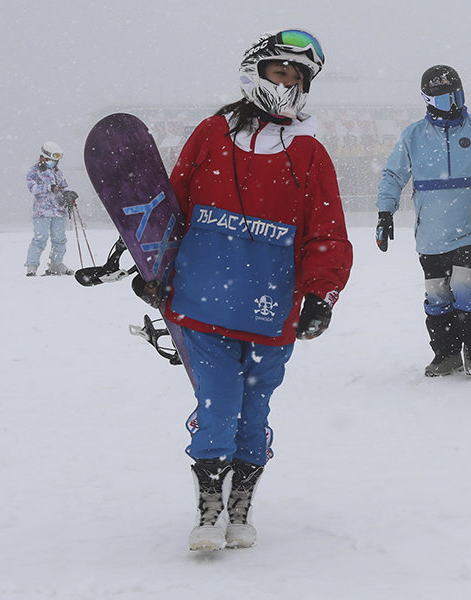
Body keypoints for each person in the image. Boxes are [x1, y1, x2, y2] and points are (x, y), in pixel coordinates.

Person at [156, 29, 352, 550]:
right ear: (256, 71)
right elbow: (174, 204)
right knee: (219, 406)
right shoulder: (210, 134)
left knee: (254, 411)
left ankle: (240, 507)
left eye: (298, 77)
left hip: (271, 309)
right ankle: (209, 511)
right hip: (202, 301)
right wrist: (153, 266)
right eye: (279, 70)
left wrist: (322, 294)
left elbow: (327, 231)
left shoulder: (309, 152)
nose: (287, 83)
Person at [376, 65, 471, 378]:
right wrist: (385, 212)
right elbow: (393, 174)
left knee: (467, 287)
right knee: (437, 293)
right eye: (445, 100)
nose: (453, 105)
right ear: (428, 100)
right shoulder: (413, 136)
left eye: (457, 96)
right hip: (431, 231)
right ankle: (447, 353)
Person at [24, 142, 73, 276]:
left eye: (56, 160)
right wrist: (48, 187)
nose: (54, 162)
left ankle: (56, 264)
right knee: (40, 239)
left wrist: (68, 195)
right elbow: (33, 188)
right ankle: (32, 266)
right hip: (42, 212)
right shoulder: (34, 172)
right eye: (52, 159)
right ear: (42, 157)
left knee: (60, 239)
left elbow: (63, 187)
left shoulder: (58, 173)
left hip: (59, 211)